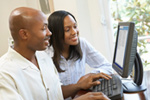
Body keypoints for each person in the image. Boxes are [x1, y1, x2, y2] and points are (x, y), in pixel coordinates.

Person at [0, 7, 111, 100]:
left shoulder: (43, 57)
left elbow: (56, 93)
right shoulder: (4, 73)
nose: (50, 33)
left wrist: (79, 86)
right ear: (24, 34)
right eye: (44, 28)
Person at [47, 10, 113, 86]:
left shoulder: (82, 43)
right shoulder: (46, 53)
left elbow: (107, 66)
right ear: (55, 33)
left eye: (75, 26)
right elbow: (54, 91)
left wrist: (90, 75)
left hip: (81, 95)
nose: (74, 32)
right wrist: (78, 86)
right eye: (67, 30)